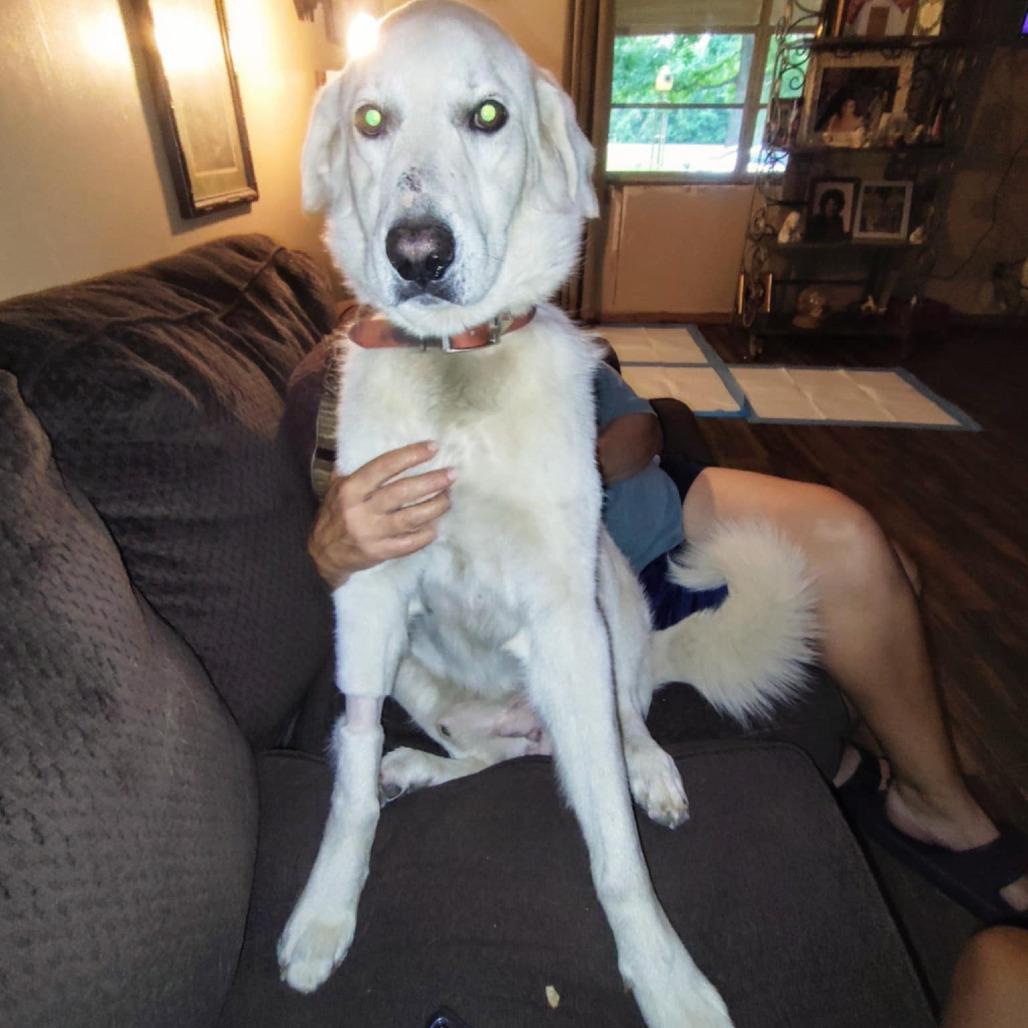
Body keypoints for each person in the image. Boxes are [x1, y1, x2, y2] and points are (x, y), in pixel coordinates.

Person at [290, 344, 1028, 924]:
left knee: (881, 559)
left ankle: (880, 768)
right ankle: (936, 804)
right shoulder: (361, 380)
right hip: (582, 592)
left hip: (663, 509)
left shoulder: (525, 331)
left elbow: (641, 427)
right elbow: (361, 536)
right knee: (865, 575)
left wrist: (561, 466)